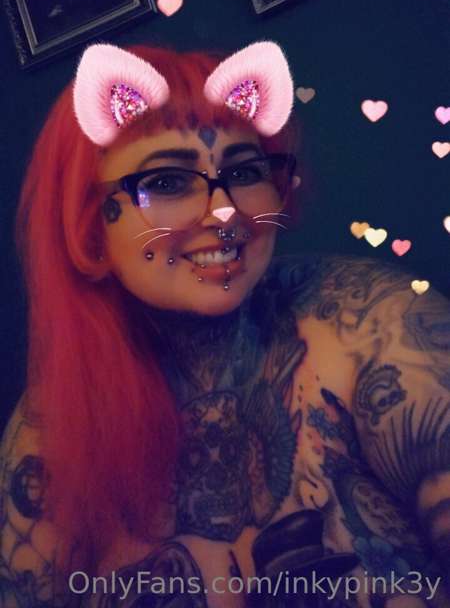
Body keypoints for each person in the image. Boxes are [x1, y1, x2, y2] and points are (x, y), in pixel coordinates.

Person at [0, 39, 449, 608]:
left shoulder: (374, 328)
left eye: (244, 170)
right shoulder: (46, 439)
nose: (225, 210)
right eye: (166, 181)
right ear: (90, 225)